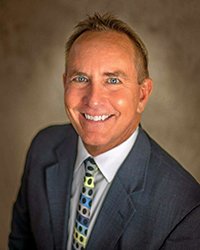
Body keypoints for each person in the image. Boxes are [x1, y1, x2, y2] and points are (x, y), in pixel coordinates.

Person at [9, 13, 200, 250]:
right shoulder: (43, 146)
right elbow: (21, 242)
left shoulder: (185, 208)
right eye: (80, 78)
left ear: (142, 94)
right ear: (64, 83)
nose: (93, 99)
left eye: (113, 81)